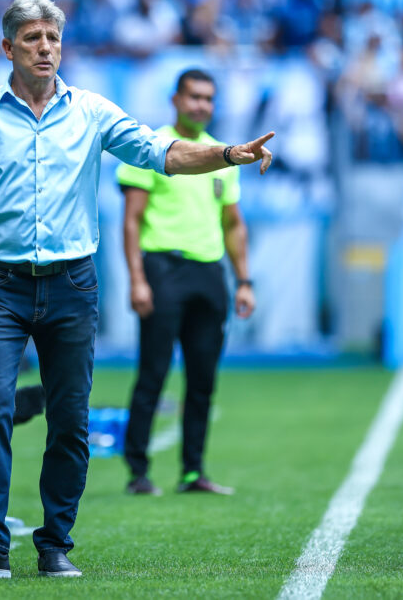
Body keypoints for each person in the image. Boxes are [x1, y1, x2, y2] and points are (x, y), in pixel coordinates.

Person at [0, 0, 273, 581]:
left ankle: (55, 543)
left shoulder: (93, 112)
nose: (45, 48)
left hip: (72, 285)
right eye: (31, 39)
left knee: (71, 418)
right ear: (7, 48)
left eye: (52, 38)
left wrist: (228, 153)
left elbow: (165, 152)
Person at [117, 68, 255, 497]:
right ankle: (138, 472)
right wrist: (137, 279)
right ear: (175, 99)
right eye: (194, 96)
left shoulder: (224, 155)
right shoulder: (152, 148)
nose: (201, 105)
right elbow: (131, 220)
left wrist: (245, 280)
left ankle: (193, 472)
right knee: (153, 374)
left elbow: (233, 224)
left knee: (203, 378)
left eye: (208, 99)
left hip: (209, 273)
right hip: (163, 269)